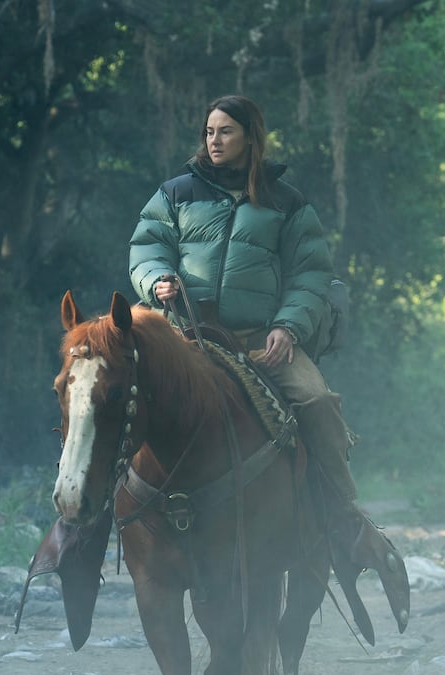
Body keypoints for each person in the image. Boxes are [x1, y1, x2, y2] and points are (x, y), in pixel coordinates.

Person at [128, 94, 409, 631]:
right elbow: (148, 246)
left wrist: (288, 327)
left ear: (251, 137)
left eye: (226, 131)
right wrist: (155, 279)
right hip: (187, 336)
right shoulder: (177, 192)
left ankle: (344, 520)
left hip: (262, 341)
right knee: (113, 393)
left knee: (317, 400)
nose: (214, 140)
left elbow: (310, 275)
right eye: (209, 131)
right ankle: (84, 521)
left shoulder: (287, 202)